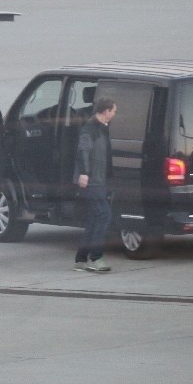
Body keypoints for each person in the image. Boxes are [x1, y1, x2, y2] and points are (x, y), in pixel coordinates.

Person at [73, 97, 116, 273]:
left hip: (100, 181)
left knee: (93, 220)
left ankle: (81, 260)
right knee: (104, 216)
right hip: (93, 182)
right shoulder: (90, 129)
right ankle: (96, 257)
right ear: (106, 111)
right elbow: (83, 150)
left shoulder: (102, 128)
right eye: (113, 110)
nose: (115, 113)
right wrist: (84, 173)